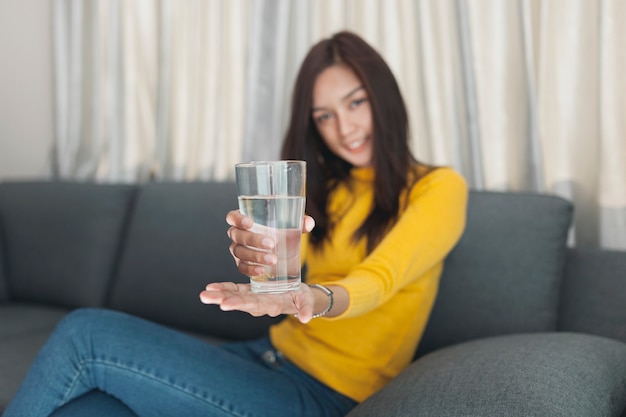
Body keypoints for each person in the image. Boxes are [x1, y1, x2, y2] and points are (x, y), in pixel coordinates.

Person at [3, 31, 467, 417]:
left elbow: (379, 280)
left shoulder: (437, 188)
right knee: (87, 407)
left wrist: (315, 298)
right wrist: (259, 258)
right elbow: (278, 275)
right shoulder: (330, 188)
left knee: (85, 333)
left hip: (322, 395)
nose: (343, 128)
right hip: (265, 357)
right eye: (324, 116)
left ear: (383, 98)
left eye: (356, 103)